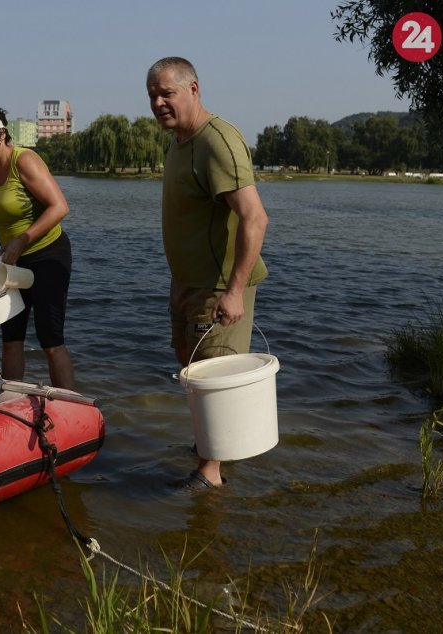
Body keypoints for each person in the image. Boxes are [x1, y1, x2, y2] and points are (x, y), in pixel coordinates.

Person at [146, 57, 270, 491]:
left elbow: (255, 218)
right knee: (188, 363)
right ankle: (211, 446)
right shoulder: (180, 141)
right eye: (152, 96)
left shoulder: (219, 140)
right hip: (185, 284)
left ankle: (210, 473)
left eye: (167, 93)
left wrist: (234, 291)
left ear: (194, 89)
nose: (158, 103)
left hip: (218, 288)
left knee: (213, 371)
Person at [0, 99, 75, 390]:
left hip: (48, 256)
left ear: (1, 134)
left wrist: (22, 239)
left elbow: (59, 207)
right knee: (11, 340)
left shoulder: (24, 160)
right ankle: (13, 402)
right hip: (11, 263)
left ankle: (71, 404)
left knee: (51, 342)